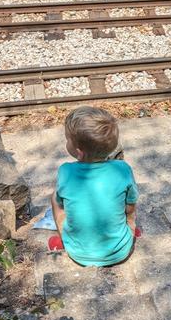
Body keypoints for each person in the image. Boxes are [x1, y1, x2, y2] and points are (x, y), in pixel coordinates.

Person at [50, 106, 139, 266]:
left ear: (79, 152)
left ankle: (63, 239)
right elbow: (131, 203)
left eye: (67, 139)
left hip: (78, 254)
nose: (66, 142)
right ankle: (129, 232)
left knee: (55, 200)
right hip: (120, 251)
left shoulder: (66, 171)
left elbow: (61, 202)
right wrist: (131, 223)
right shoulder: (122, 169)